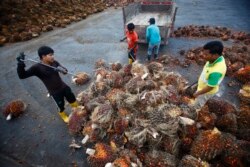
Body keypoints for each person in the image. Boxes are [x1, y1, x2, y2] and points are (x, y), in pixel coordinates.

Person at [16, 46, 78, 123]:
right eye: (50, 55)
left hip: (63, 86)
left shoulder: (54, 63)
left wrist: (63, 70)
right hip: (55, 92)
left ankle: (76, 108)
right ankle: (62, 114)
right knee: (60, 105)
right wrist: (20, 64)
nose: (53, 57)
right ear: (43, 56)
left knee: (71, 97)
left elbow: (65, 71)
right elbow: (22, 76)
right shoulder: (37, 68)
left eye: (53, 54)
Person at [192, 41, 227, 109]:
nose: (203, 55)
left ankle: (195, 111)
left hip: (206, 92)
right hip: (203, 86)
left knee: (198, 104)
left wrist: (198, 93)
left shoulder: (216, 71)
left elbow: (210, 87)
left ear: (215, 55)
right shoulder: (214, 59)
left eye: (206, 54)